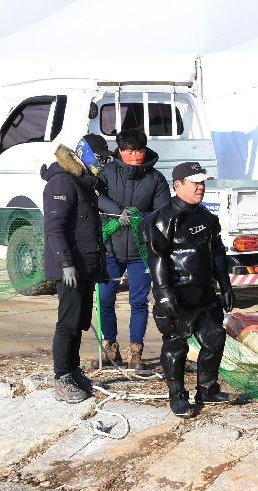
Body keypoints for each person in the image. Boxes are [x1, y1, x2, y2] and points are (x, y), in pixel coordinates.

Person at [143, 161, 234, 417]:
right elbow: (157, 258)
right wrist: (163, 293)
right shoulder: (161, 220)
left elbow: (216, 253)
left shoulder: (206, 217)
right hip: (176, 295)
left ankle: (208, 389)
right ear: (178, 185)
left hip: (204, 294)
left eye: (203, 182)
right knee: (176, 345)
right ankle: (177, 396)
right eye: (195, 183)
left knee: (215, 337)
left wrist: (225, 284)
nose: (200, 187)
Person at [43, 134, 113, 403]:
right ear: (83, 153)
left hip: (85, 266)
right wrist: (65, 264)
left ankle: (73, 370)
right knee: (68, 324)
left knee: (80, 322)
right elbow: (54, 227)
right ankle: (62, 376)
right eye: (100, 158)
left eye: (106, 159)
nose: (103, 163)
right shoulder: (62, 181)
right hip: (70, 268)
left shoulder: (85, 183)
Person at [96, 128, 171, 370]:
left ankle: (135, 352)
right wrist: (119, 212)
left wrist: (142, 218)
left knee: (139, 302)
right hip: (109, 249)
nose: (135, 155)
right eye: (129, 151)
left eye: (139, 150)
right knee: (105, 299)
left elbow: (162, 213)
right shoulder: (106, 174)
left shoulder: (155, 179)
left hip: (141, 252)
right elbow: (94, 196)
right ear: (120, 150)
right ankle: (109, 348)